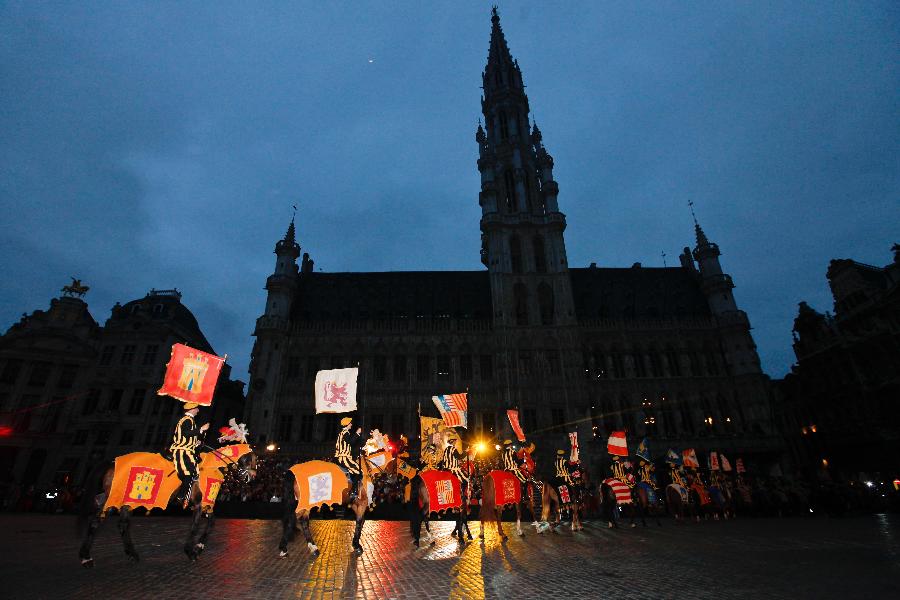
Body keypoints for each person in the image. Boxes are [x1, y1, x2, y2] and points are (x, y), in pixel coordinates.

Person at [170, 402, 209, 508]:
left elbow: (187, 436)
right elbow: (186, 433)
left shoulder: (190, 420)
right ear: (192, 409)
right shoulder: (187, 420)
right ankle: (180, 497)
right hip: (182, 451)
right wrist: (201, 429)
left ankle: (186, 496)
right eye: (197, 408)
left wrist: (195, 442)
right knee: (188, 475)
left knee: (194, 474)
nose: (198, 410)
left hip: (188, 451)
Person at [334, 416, 363, 500]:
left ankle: (350, 484)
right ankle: (353, 492)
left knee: (354, 471)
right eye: (350, 423)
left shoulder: (343, 433)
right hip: (343, 457)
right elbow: (351, 442)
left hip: (344, 457)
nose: (351, 424)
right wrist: (357, 433)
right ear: (347, 424)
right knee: (359, 471)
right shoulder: (345, 433)